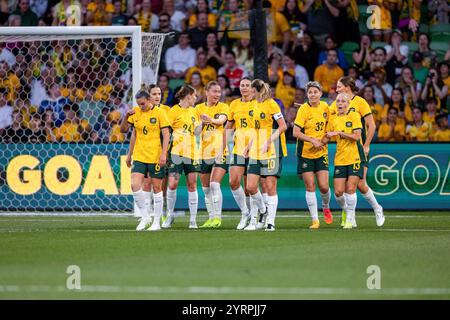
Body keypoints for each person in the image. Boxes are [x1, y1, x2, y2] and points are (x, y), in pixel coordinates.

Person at [330, 76, 385, 227]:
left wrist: (366, 145)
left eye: (339, 86)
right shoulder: (337, 103)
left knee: (360, 184)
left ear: (347, 86)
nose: (337, 89)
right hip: (343, 151)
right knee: (350, 187)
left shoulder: (360, 102)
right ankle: (352, 215)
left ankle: (376, 209)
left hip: (359, 148)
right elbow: (327, 116)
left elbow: (372, 126)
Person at [120, 86, 171, 231]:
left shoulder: (160, 112)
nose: (140, 106)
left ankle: (156, 222)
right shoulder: (135, 113)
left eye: (142, 103)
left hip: (155, 156)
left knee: (157, 188)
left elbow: (166, 134)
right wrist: (126, 116)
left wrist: (163, 153)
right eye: (139, 104)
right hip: (140, 155)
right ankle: (145, 217)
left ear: (149, 100)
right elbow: (125, 131)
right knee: (135, 185)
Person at [243, 79, 287, 231]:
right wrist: (248, 146)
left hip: (272, 149)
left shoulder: (271, 104)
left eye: (251, 90)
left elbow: (283, 126)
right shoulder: (253, 105)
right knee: (250, 186)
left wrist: (268, 141)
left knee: (270, 186)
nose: (249, 92)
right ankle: (263, 210)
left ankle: (270, 222)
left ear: (256, 91)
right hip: (256, 149)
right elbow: (255, 130)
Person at [322, 93, 366, 229]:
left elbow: (357, 136)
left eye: (343, 101)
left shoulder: (354, 116)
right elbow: (327, 136)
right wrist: (318, 142)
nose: (340, 104)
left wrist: (340, 133)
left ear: (348, 104)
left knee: (351, 188)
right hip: (340, 158)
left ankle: (350, 219)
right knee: (338, 192)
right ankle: (347, 212)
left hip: (354, 157)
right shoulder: (333, 120)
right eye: (338, 101)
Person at [293, 81, 332, 229]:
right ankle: (315, 220)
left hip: (321, 152)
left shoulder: (326, 108)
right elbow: (295, 132)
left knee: (323, 186)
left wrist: (322, 142)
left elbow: (330, 129)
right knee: (310, 186)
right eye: (310, 92)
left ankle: (326, 207)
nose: (313, 94)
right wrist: (312, 141)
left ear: (321, 94)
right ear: (307, 95)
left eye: (315, 92)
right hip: (305, 153)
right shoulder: (303, 109)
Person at [162, 85, 202, 229]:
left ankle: (193, 220)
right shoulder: (173, 111)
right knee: (172, 184)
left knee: (192, 185)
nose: (196, 98)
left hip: (192, 153)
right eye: (195, 96)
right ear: (188, 96)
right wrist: (164, 151)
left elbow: (197, 132)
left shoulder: (195, 111)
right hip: (176, 154)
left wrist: (202, 123)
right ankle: (169, 215)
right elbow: (165, 131)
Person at [196, 81, 229, 228]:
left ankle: (218, 218)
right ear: (206, 92)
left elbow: (221, 121)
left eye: (219, 91)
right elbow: (195, 132)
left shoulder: (223, 107)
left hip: (220, 151)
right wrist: (202, 124)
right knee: (206, 189)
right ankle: (210, 218)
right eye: (214, 91)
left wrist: (209, 119)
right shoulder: (198, 109)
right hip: (204, 153)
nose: (217, 94)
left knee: (215, 184)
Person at [225, 77, 255, 230]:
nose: (244, 88)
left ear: (252, 88)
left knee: (251, 186)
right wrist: (222, 145)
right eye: (242, 85)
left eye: (247, 85)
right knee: (233, 181)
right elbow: (229, 127)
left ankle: (255, 216)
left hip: (256, 149)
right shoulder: (234, 104)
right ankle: (245, 213)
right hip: (238, 148)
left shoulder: (257, 104)